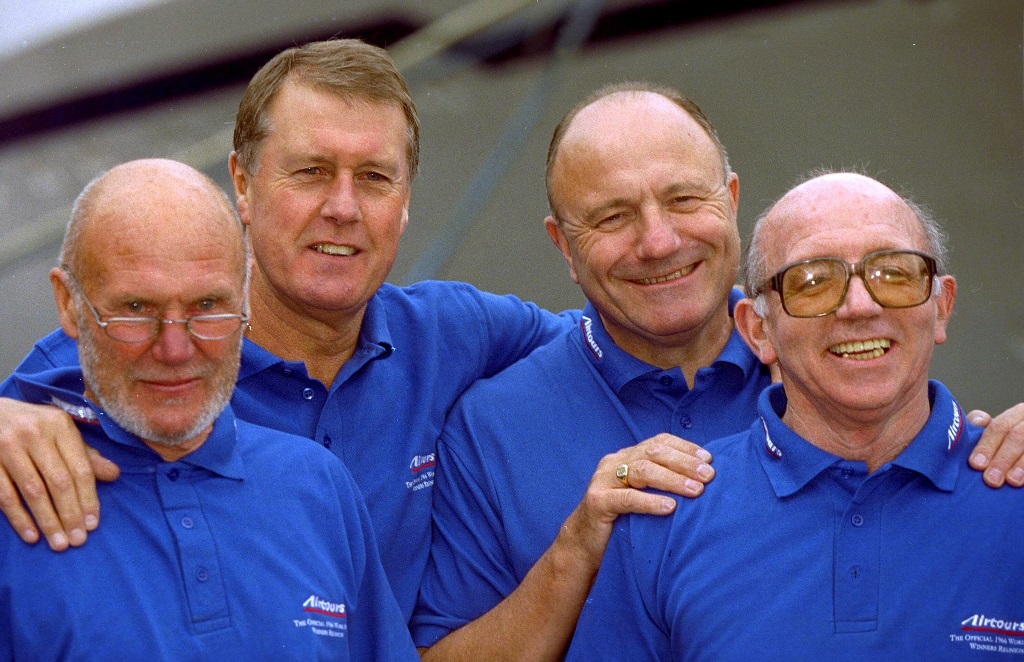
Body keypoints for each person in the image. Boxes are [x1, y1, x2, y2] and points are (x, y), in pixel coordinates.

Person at [0, 39, 621, 625]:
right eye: (312, 172)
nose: (343, 208)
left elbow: (620, 335)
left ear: (406, 201)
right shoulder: (137, 352)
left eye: (375, 178)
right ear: (242, 184)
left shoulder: (449, 334)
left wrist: (716, 306)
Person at [411, 84, 1024, 661]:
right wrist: (577, 548)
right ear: (564, 247)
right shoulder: (491, 428)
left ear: (730, 200)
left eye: (683, 199)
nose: (658, 241)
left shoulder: (834, 360)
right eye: (612, 218)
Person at [565, 172, 1024, 661]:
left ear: (942, 306)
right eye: (812, 282)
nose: (860, 305)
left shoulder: (1013, 486)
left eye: (894, 273)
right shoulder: (666, 517)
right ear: (758, 330)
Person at [0, 158, 418, 660]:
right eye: (136, 309)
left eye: (207, 307)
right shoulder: (16, 496)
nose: (176, 349)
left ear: (244, 294)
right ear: (68, 303)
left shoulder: (317, 485)